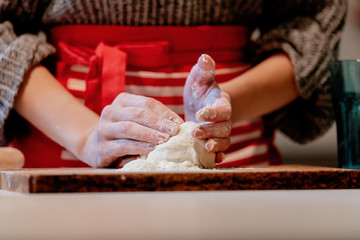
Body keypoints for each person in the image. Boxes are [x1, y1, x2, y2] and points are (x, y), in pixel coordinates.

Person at [0, 0, 347, 168]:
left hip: (234, 166)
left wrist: (221, 108)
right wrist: (87, 136)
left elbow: (311, 26)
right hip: (64, 161)